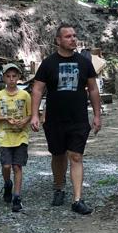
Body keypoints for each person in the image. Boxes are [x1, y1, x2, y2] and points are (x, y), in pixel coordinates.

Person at [30, 24, 101, 215]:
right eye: (68, 36)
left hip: (78, 118)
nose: (73, 39)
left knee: (76, 156)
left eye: (74, 36)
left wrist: (97, 115)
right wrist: (35, 114)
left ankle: (77, 199)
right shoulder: (48, 63)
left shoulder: (84, 62)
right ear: (58, 40)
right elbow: (37, 89)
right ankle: (59, 187)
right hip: (54, 118)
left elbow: (93, 89)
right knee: (58, 154)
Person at [0, 63, 31, 213]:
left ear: (19, 77)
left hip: (21, 135)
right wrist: (6, 119)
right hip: (5, 136)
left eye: (14, 76)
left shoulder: (25, 95)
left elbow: (30, 113)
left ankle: (17, 197)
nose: (11, 79)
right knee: (6, 166)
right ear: (4, 78)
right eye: (8, 76)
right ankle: (7, 183)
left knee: (17, 166)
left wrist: (24, 121)